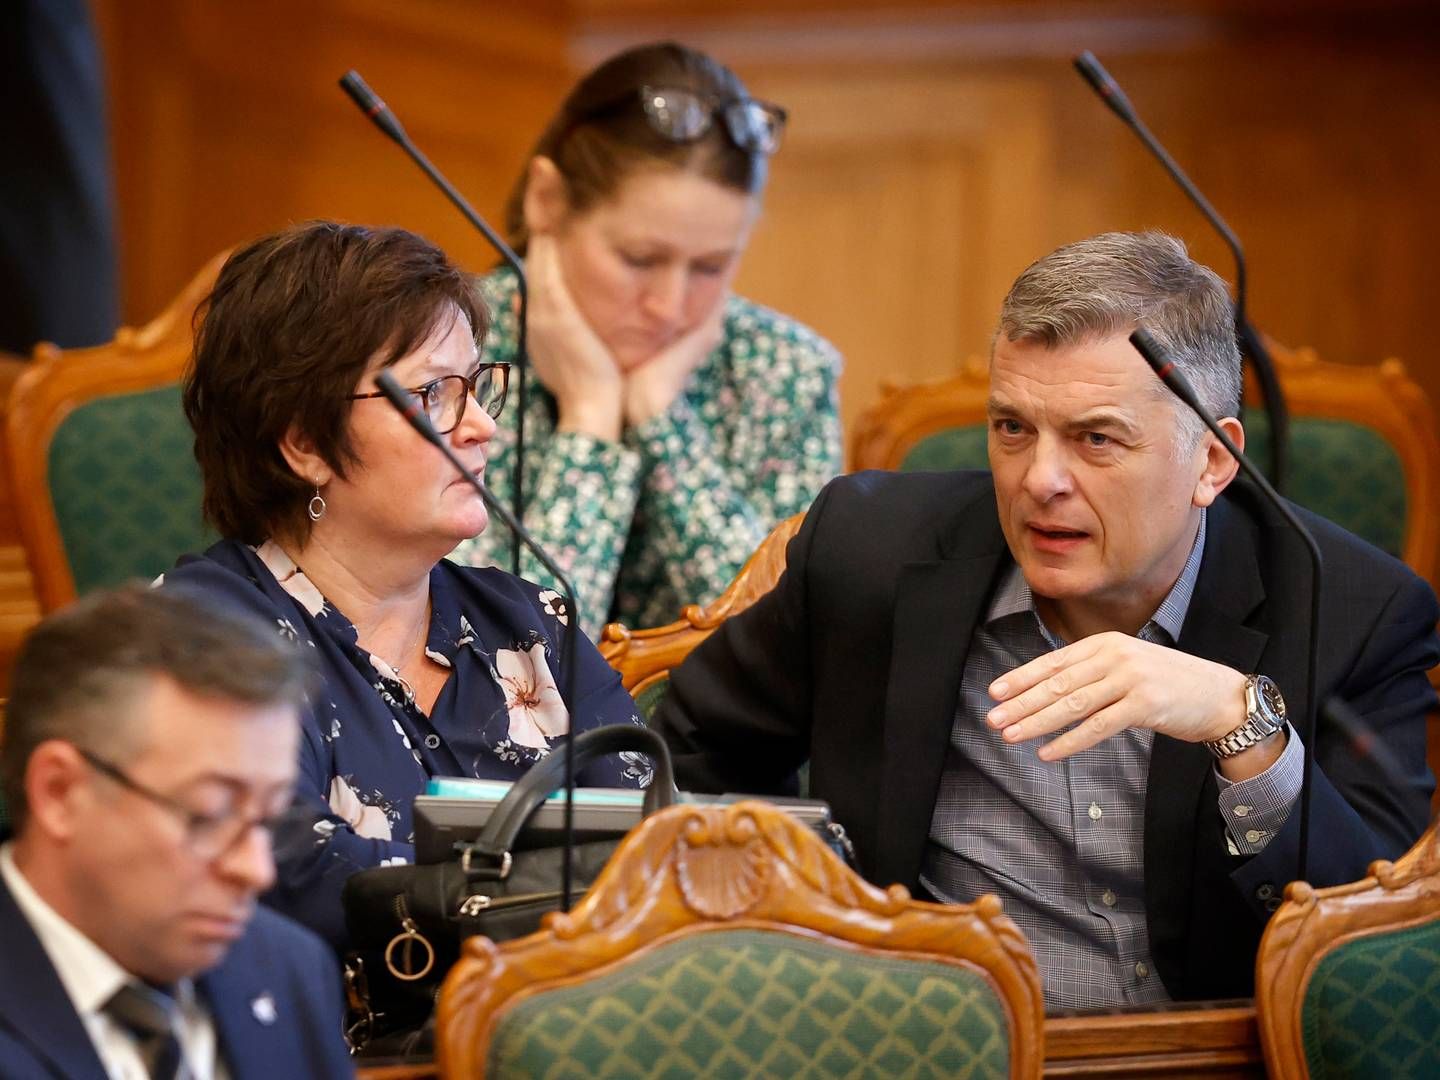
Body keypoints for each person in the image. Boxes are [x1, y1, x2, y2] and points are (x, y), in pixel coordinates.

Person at [652, 231, 1438, 1008]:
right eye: (1013, 429)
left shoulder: (1356, 614)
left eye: (1096, 439)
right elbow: (677, 763)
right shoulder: (870, 559)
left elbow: (1381, 963)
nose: (1041, 481)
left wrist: (1241, 727)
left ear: (1212, 461)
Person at [162, 222, 650, 950]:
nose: (483, 427)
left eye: (479, 387)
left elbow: (656, 854)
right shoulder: (207, 637)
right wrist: (563, 898)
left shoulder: (530, 623)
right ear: (304, 444)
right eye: (432, 394)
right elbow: (295, 883)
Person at [449, 41, 843, 638]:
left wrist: (662, 420)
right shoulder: (447, 358)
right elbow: (498, 657)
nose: (669, 305)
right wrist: (590, 418)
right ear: (547, 201)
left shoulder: (787, 369)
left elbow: (791, 640)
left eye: (710, 267)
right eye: (639, 258)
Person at [0, 585, 353, 1078]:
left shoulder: (290, 970)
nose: (256, 869)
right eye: (208, 815)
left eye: (270, 819)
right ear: (59, 793)